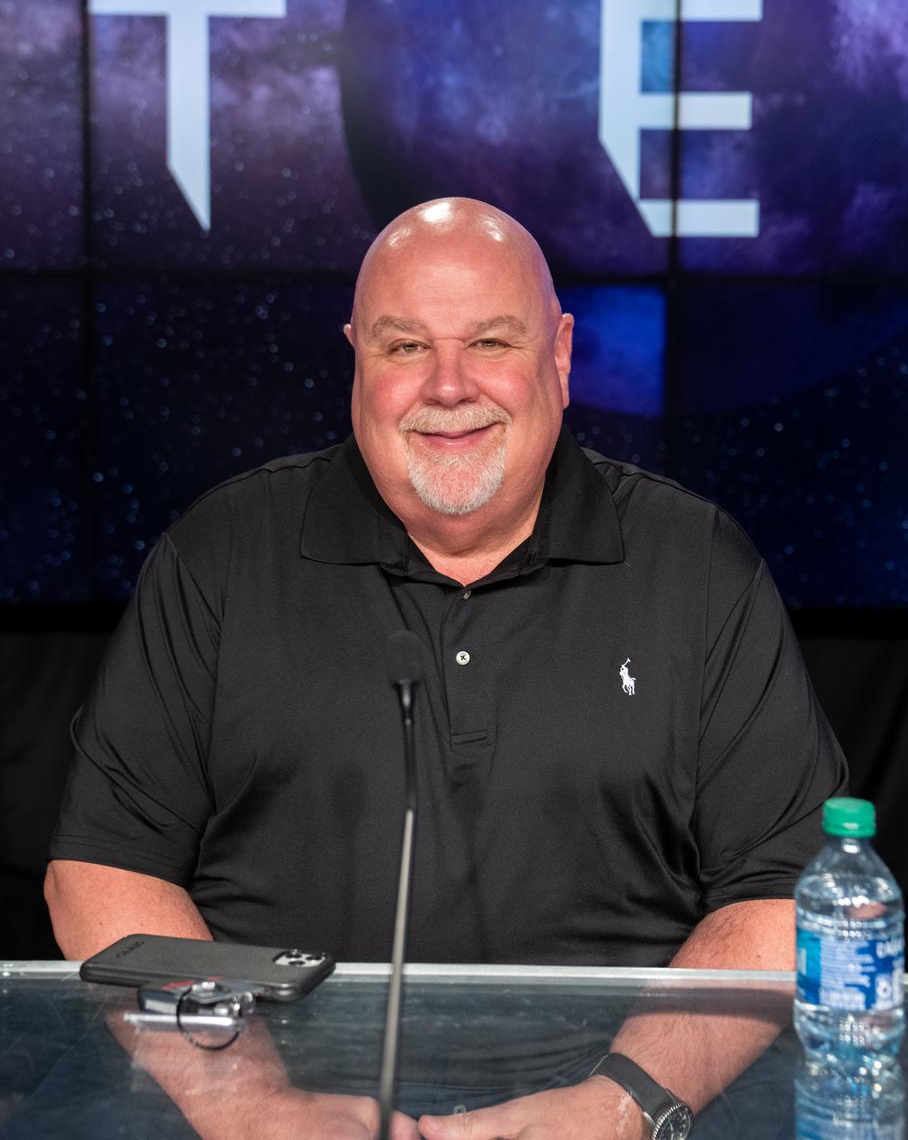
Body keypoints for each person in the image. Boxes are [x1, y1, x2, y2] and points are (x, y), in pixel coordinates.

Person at [45, 196, 845, 1139]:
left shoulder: (698, 566)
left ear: (560, 353)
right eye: (404, 346)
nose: (450, 386)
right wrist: (247, 1102)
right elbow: (102, 872)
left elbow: (786, 893)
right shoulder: (221, 556)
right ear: (356, 357)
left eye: (492, 343)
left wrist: (622, 1106)